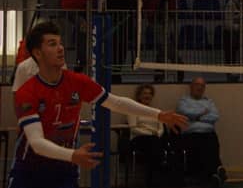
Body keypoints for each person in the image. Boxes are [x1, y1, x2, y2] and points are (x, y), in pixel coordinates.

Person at [10, 21, 187, 188]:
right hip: (30, 171)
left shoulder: (78, 82)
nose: (60, 48)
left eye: (60, 43)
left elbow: (115, 102)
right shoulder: (27, 92)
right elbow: (37, 142)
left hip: (65, 169)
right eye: (52, 44)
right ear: (37, 53)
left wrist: (158, 114)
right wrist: (73, 154)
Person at [176, 77, 227, 187]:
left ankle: (213, 174)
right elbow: (184, 112)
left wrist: (196, 117)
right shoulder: (184, 101)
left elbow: (215, 116)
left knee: (210, 142)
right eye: (197, 84)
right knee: (199, 146)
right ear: (191, 86)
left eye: (202, 85)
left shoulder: (209, 102)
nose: (199, 87)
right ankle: (215, 171)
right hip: (191, 134)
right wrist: (203, 113)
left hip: (208, 133)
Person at [142, 0, 186, 82]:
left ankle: (159, 74)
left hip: (169, 12)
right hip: (154, 12)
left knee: (162, 43)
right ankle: (178, 63)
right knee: (162, 42)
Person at [127, 84, 166, 187]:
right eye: (144, 93)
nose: (147, 96)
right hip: (139, 139)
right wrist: (151, 133)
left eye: (149, 94)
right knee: (154, 147)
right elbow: (133, 128)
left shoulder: (156, 111)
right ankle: (156, 179)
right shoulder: (133, 109)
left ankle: (152, 181)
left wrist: (157, 134)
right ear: (139, 96)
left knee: (155, 147)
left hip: (155, 139)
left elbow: (161, 128)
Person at [107, 0, 137, 81]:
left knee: (122, 46)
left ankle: (117, 73)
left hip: (126, 15)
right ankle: (110, 73)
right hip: (113, 14)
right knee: (112, 45)